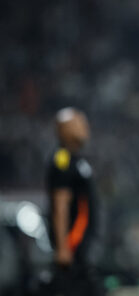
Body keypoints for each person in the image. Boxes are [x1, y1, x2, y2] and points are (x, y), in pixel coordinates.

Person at [47, 107, 97, 271]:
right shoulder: (63, 160)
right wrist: (63, 247)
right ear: (65, 129)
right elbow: (61, 203)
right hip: (73, 244)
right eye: (78, 123)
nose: (85, 127)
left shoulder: (77, 160)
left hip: (84, 243)